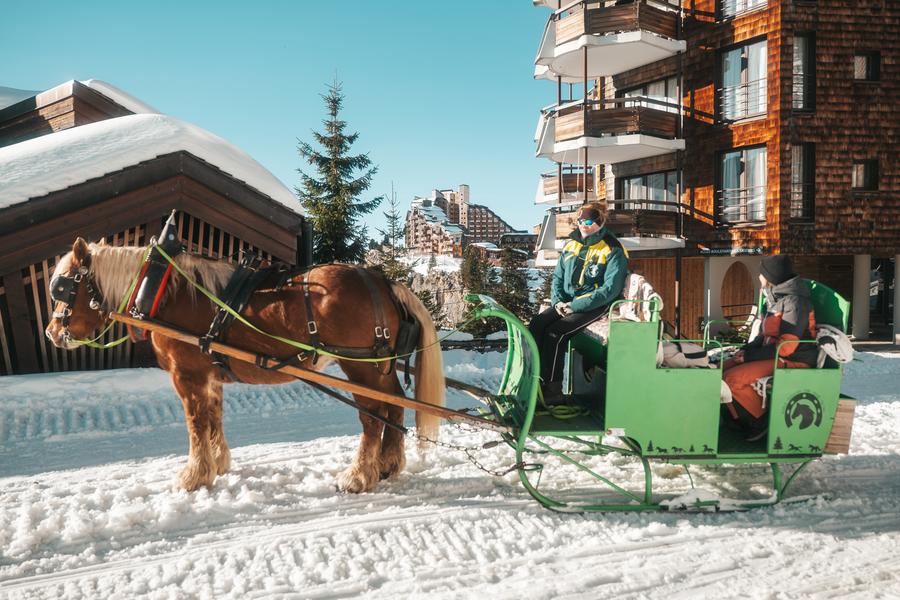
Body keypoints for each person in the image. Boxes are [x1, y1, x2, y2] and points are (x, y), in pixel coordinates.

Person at [528, 203, 628, 402]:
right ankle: (534, 378)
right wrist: (557, 301)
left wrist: (574, 306)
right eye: (580, 221)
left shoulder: (613, 248)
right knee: (537, 324)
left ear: (600, 221)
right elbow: (558, 276)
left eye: (589, 221)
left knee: (556, 333)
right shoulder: (571, 243)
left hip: (595, 305)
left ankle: (552, 390)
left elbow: (610, 290)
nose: (584, 225)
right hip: (566, 301)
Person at [723, 254, 817, 433]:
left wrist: (749, 357)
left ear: (772, 277)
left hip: (794, 358)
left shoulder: (795, 302)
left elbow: (787, 346)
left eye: (761, 273)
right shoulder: (775, 301)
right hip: (772, 354)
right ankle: (735, 418)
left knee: (731, 379)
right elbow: (762, 336)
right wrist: (745, 350)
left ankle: (759, 421)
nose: (759, 277)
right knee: (718, 370)